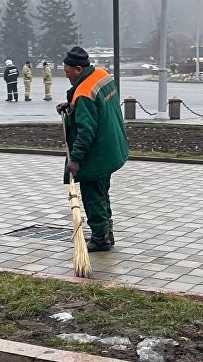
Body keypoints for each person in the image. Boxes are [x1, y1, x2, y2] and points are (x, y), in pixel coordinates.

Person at [56, 46, 128, 252]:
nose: (66, 74)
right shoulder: (101, 74)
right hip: (112, 147)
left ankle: (100, 237)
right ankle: (107, 231)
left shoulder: (83, 93)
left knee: (92, 195)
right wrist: (71, 106)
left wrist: (76, 159)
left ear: (78, 69)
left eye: (67, 70)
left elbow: (86, 131)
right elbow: (97, 107)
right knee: (102, 192)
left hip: (97, 153)